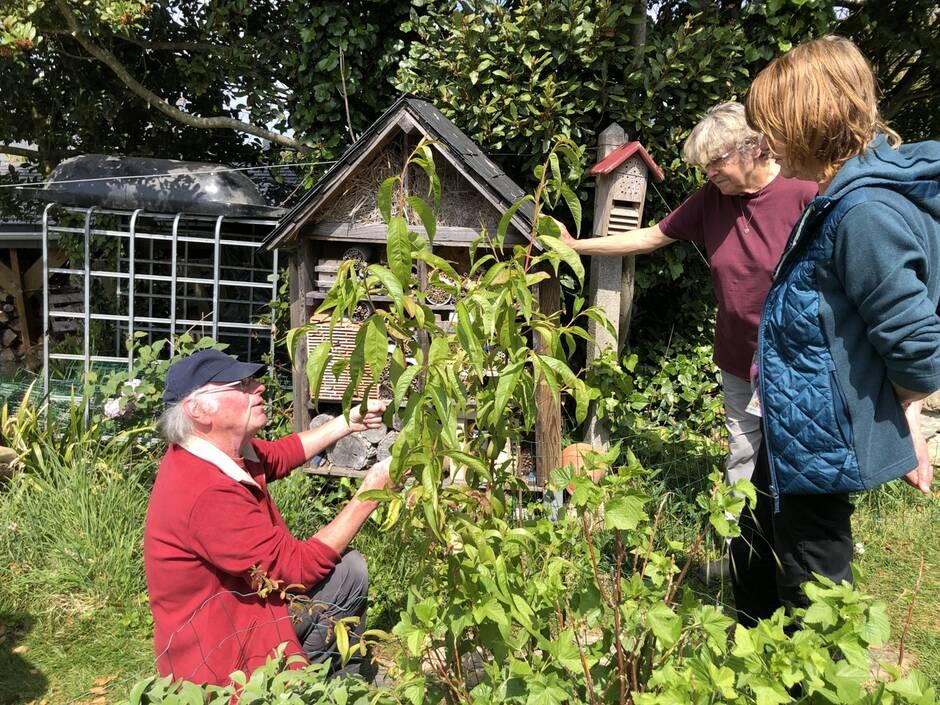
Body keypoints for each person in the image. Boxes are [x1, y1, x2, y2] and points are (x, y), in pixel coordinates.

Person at [730, 35, 940, 626]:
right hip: (799, 414)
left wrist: (902, 409)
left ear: (810, 124)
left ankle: (813, 679)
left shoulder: (864, 212)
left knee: (813, 568)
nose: (765, 144)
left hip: (824, 427)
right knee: (762, 529)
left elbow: (916, 346)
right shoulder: (840, 197)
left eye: (772, 127)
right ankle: (748, 646)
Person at [559, 102, 817, 488]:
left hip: (796, 356)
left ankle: (787, 536)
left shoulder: (805, 192)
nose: (709, 173)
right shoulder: (712, 200)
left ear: (755, 147)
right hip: (737, 353)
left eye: (716, 162)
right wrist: (577, 246)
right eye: (704, 167)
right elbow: (651, 236)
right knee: (743, 448)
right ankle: (739, 541)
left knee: (794, 450)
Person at [143, 348, 395, 685]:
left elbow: (280, 454)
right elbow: (298, 571)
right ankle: (303, 685)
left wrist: (346, 423)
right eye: (242, 384)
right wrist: (372, 492)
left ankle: (326, 675)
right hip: (220, 655)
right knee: (345, 572)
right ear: (198, 409)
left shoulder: (214, 452)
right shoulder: (206, 493)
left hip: (239, 610)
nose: (258, 387)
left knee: (347, 569)